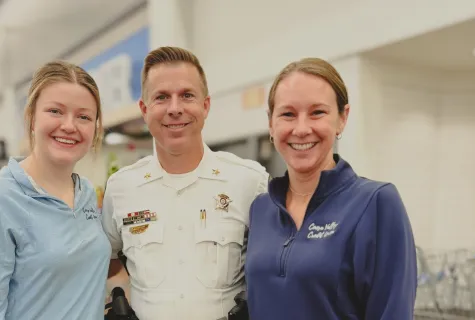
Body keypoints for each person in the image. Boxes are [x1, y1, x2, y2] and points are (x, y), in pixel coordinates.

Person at [101, 46, 269, 320]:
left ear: (205, 105)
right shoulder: (121, 188)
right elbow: (106, 256)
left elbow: (274, 263)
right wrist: (122, 296)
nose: (175, 109)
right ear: (144, 109)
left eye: (187, 95)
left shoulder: (250, 182)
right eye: (162, 97)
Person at [245, 58, 417, 319]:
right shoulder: (261, 208)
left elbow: (392, 311)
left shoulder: (376, 203)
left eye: (317, 112)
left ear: (342, 118)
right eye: (288, 114)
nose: (301, 129)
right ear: (271, 123)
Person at [0, 61, 111, 319]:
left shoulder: (85, 193)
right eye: (55, 111)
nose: (69, 126)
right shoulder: (6, 197)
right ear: (31, 117)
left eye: (83, 116)